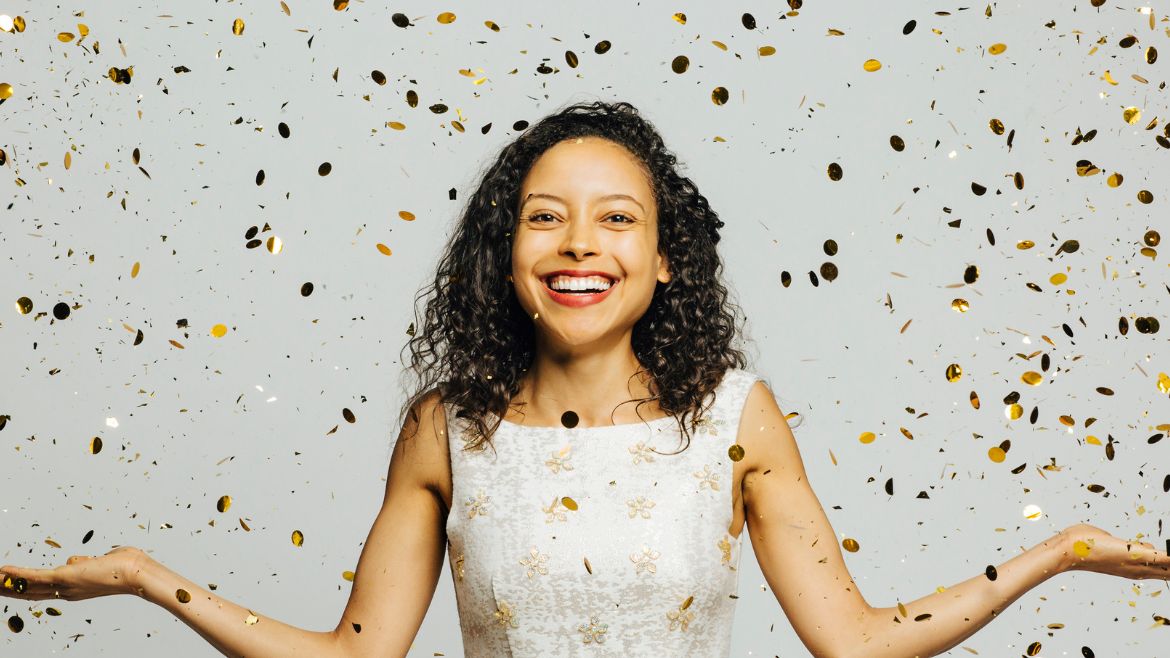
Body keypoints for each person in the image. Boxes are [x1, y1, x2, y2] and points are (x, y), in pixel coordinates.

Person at [3, 100, 1167, 658]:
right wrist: (154, 580)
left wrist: (1053, 553)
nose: (577, 246)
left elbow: (856, 641)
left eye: (616, 220)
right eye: (545, 219)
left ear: (665, 261)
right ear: (503, 253)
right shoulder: (445, 429)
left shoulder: (735, 421)